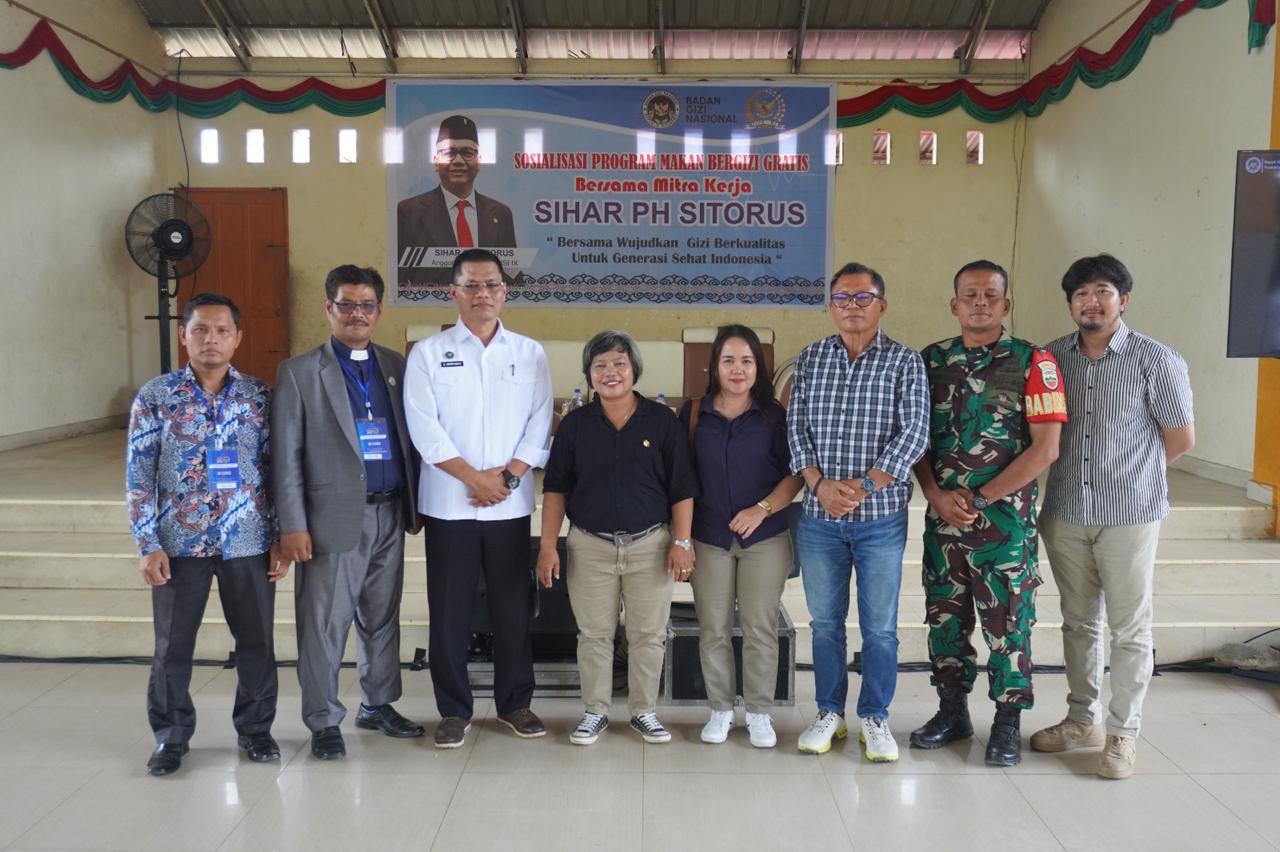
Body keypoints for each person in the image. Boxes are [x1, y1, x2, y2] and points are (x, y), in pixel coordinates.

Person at [1031, 254, 1194, 780]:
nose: (1091, 302)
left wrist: (1130, 475)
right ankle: (1083, 720)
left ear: (1123, 300)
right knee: (1079, 622)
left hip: (1129, 514)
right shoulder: (1051, 359)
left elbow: (1180, 439)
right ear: (1071, 304)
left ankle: (1123, 734)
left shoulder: (1157, 360)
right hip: (1066, 513)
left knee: (1128, 629)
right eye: (1080, 294)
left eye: (1102, 291)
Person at [909, 260, 1067, 766]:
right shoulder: (929, 361)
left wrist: (979, 499)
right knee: (945, 621)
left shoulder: (1033, 361)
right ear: (954, 305)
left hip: (1004, 527)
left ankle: (1007, 721)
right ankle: (952, 711)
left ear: (1006, 305)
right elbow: (914, 440)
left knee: (1008, 625)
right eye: (970, 295)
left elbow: (1044, 450)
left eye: (990, 295)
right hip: (944, 523)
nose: (980, 302)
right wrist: (933, 493)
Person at [126, 292, 287, 776]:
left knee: (256, 641)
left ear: (238, 338)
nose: (210, 339)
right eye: (200, 330)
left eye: (221, 331)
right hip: (180, 544)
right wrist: (147, 542)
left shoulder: (258, 396)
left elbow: (275, 469)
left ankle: (256, 730)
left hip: (248, 540)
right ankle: (171, 736)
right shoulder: (156, 397)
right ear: (183, 335)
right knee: (173, 646)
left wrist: (279, 534)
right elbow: (139, 473)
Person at [272, 264, 423, 760]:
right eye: (346, 305)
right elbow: (287, 456)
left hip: (389, 513)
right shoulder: (299, 373)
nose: (357, 314)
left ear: (380, 310)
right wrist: (292, 524)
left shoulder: (395, 364)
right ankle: (322, 719)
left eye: (367, 305)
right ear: (328, 308)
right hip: (331, 519)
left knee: (382, 616)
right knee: (324, 623)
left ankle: (378, 703)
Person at [404, 248, 554, 748]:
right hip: (450, 504)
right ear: (454, 292)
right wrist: (473, 478)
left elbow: (540, 422)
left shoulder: (529, 352)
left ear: (504, 292)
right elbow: (425, 430)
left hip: (508, 507)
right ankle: (453, 709)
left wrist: (506, 479)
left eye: (491, 284)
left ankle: (516, 702)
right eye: (471, 285)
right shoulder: (427, 353)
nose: (482, 294)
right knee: (449, 609)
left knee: (513, 607)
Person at [787, 262, 929, 762]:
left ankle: (875, 716)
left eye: (862, 297)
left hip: (881, 519)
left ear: (882, 305)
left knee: (880, 628)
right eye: (842, 298)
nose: (852, 306)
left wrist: (865, 486)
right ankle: (830, 713)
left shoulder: (905, 363)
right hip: (819, 518)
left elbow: (914, 434)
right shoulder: (810, 359)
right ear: (831, 306)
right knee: (824, 624)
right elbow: (796, 429)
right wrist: (819, 484)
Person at [538, 331, 699, 746]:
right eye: (600, 366)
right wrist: (547, 545)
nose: (610, 373)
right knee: (593, 634)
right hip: (589, 545)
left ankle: (644, 711)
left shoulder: (662, 421)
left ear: (634, 370)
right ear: (589, 376)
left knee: (648, 634)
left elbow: (682, 487)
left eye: (619, 364)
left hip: (651, 545)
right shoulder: (575, 424)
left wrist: (682, 542)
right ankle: (595, 710)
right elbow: (555, 489)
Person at [678, 325, 802, 749]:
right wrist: (681, 538)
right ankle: (720, 709)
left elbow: (796, 474)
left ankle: (760, 713)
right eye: (728, 360)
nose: (737, 369)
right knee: (712, 627)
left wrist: (761, 508)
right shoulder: (693, 413)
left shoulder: (774, 416)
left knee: (759, 627)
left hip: (763, 537)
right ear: (713, 365)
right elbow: (679, 478)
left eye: (746, 360)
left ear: (758, 367)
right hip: (708, 537)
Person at [397, 114, 517, 285]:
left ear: (480, 161)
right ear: (435, 161)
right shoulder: (409, 212)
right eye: (449, 152)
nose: (459, 161)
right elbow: (401, 277)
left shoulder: (501, 213)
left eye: (467, 153)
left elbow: (512, 275)